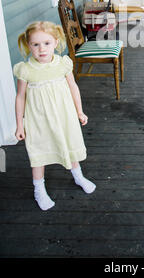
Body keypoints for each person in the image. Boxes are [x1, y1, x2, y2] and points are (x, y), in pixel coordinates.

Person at [13, 21, 96, 211]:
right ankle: (39, 190)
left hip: (64, 115)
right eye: (35, 44)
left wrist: (79, 111)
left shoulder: (63, 64)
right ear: (28, 45)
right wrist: (19, 124)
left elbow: (73, 87)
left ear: (56, 42)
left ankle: (78, 176)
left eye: (46, 43)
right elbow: (20, 97)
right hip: (38, 120)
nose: (41, 49)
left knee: (70, 144)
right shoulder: (25, 70)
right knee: (38, 153)